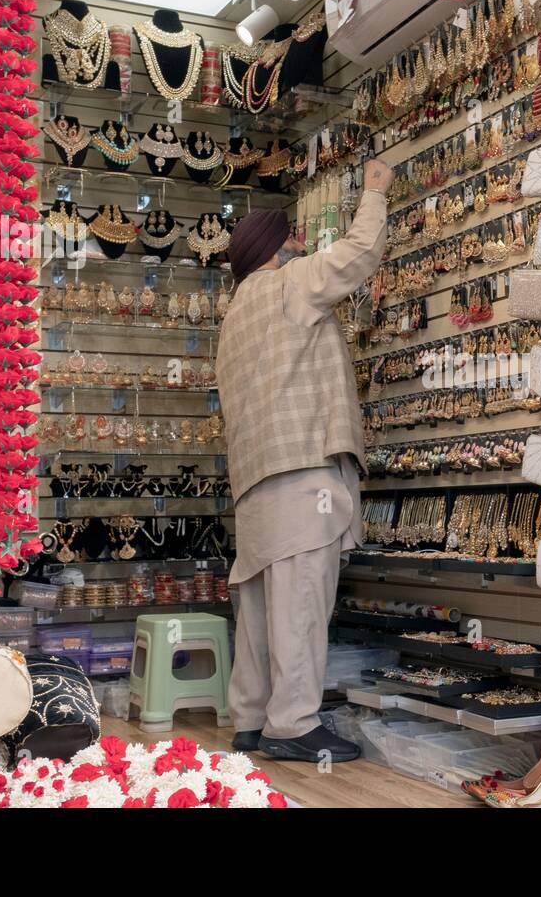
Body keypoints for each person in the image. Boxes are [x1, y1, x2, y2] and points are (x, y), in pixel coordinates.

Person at [216, 159, 393, 762]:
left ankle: (250, 718)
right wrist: (374, 191)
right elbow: (359, 252)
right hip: (300, 472)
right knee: (302, 599)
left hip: (255, 479)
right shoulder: (288, 286)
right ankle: (292, 725)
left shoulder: (233, 315)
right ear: (275, 249)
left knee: (262, 605)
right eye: (288, 239)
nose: (295, 246)